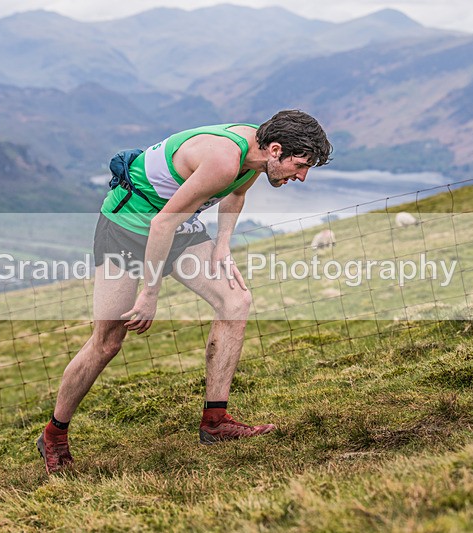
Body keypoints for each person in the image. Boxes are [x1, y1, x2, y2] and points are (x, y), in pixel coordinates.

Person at [37, 110, 332, 473]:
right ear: (275, 150)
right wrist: (149, 293)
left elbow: (235, 196)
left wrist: (222, 244)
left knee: (235, 299)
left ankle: (215, 422)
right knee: (108, 342)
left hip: (175, 223)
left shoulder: (255, 157)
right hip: (130, 225)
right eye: (301, 166)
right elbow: (161, 224)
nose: (301, 177)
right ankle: (54, 434)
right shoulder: (225, 159)